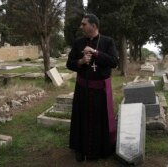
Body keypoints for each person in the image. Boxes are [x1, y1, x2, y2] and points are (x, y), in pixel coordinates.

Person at [66, 13, 118, 162]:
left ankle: (100, 150)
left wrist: (95, 53)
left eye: (84, 24)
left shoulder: (108, 42)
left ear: (93, 26)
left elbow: (114, 62)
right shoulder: (78, 42)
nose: (81, 26)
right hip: (82, 89)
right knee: (81, 120)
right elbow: (69, 63)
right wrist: (81, 61)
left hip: (100, 92)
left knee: (99, 121)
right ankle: (80, 149)